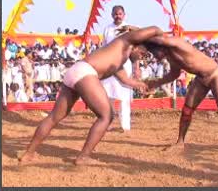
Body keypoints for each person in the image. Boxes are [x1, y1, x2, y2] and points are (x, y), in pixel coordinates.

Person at [17, 25, 161, 166]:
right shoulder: (125, 41)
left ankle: (28, 153)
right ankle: (83, 157)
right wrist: (169, 41)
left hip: (76, 71)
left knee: (54, 117)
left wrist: (144, 86)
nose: (142, 57)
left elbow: (125, 80)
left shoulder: (119, 60)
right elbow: (154, 29)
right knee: (107, 116)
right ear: (136, 45)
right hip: (86, 72)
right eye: (143, 53)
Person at [141, 34, 218, 153]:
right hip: (200, 78)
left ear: (160, 46)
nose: (155, 56)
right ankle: (180, 142)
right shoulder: (171, 58)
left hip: (216, 74)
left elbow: (155, 34)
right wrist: (156, 83)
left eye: (154, 52)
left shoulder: (177, 44)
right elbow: (174, 74)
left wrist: (136, 32)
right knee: (187, 110)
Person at [100, 5, 134, 132]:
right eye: (115, 14)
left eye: (120, 14)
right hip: (109, 66)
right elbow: (103, 47)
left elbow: (134, 49)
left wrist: (136, 67)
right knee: (107, 96)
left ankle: (125, 126)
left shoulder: (129, 29)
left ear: (124, 15)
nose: (117, 16)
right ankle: (107, 123)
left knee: (124, 97)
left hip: (124, 65)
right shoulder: (107, 29)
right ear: (111, 15)